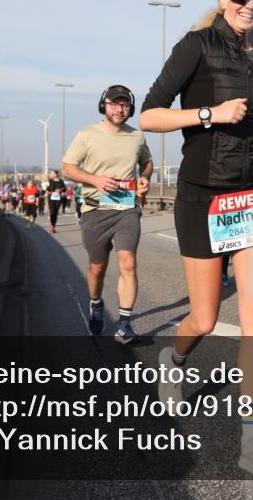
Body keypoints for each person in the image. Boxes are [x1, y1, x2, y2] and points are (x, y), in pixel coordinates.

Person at [140, 0, 253, 479]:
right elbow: (150, 114)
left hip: (248, 195)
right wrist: (208, 115)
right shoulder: (196, 45)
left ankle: (252, 443)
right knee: (203, 319)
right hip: (201, 195)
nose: (251, 4)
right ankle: (173, 362)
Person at [62, 84, 153, 345]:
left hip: (127, 208)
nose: (119, 109)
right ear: (104, 105)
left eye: (124, 104)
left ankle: (125, 325)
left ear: (130, 108)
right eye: (114, 103)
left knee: (128, 262)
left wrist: (145, 178)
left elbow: (146, 163)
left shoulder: (137, 137)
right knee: (97, 268)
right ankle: (96, 303)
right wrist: (95, 180)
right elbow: (67, 168)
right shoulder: (87, 134)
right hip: (94, 209)